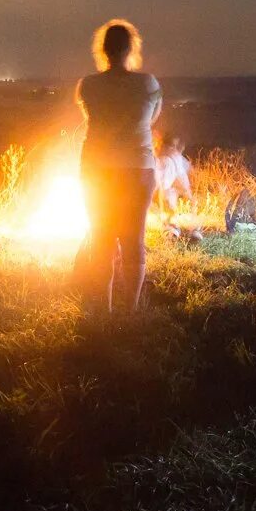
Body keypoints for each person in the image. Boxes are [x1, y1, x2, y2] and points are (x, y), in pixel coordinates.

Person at [75, 18, 162, 312]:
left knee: (101, 240)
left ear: (102, 50)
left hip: (97, 169)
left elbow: (92, 120)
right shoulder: (148, 84)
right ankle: (131, 310)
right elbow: (152, 119)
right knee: (133, 239)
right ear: (131, 49)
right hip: (138, 168)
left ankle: (106, 312)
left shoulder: (87, 85)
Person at [153, 131, 193, 228]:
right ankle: (173, 223)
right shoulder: (175, 155)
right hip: (174, 175)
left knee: (166, 196)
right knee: (170, 196)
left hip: (172, 175)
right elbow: (188, 168)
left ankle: (169, 223)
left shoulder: (168, 154)